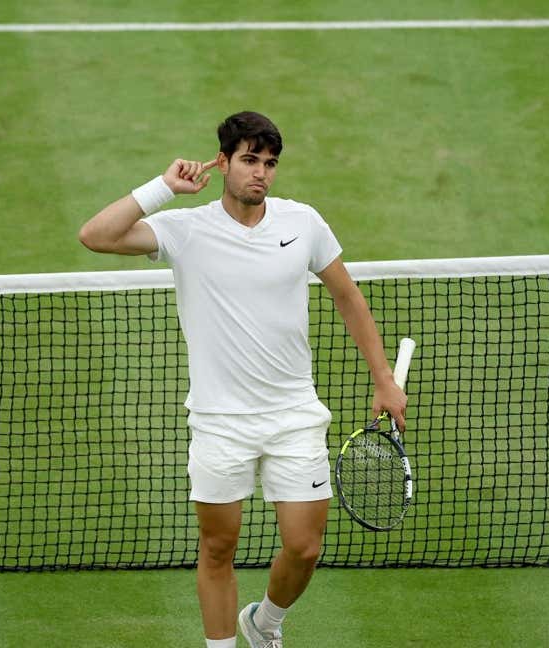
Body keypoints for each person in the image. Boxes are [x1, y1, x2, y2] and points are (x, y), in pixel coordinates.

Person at [78, 111, 406, 648]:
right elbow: (95, 235)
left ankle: (263, 623)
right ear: (223, 162)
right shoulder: (186, 230)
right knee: (217, 548)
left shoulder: (303, 223)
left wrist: (383, 378)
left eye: (270, 163)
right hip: (219, 422)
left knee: (304, 547)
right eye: (250, 160)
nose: (261, 173)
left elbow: (347, 296)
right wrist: (164, 187)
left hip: (294, 417)